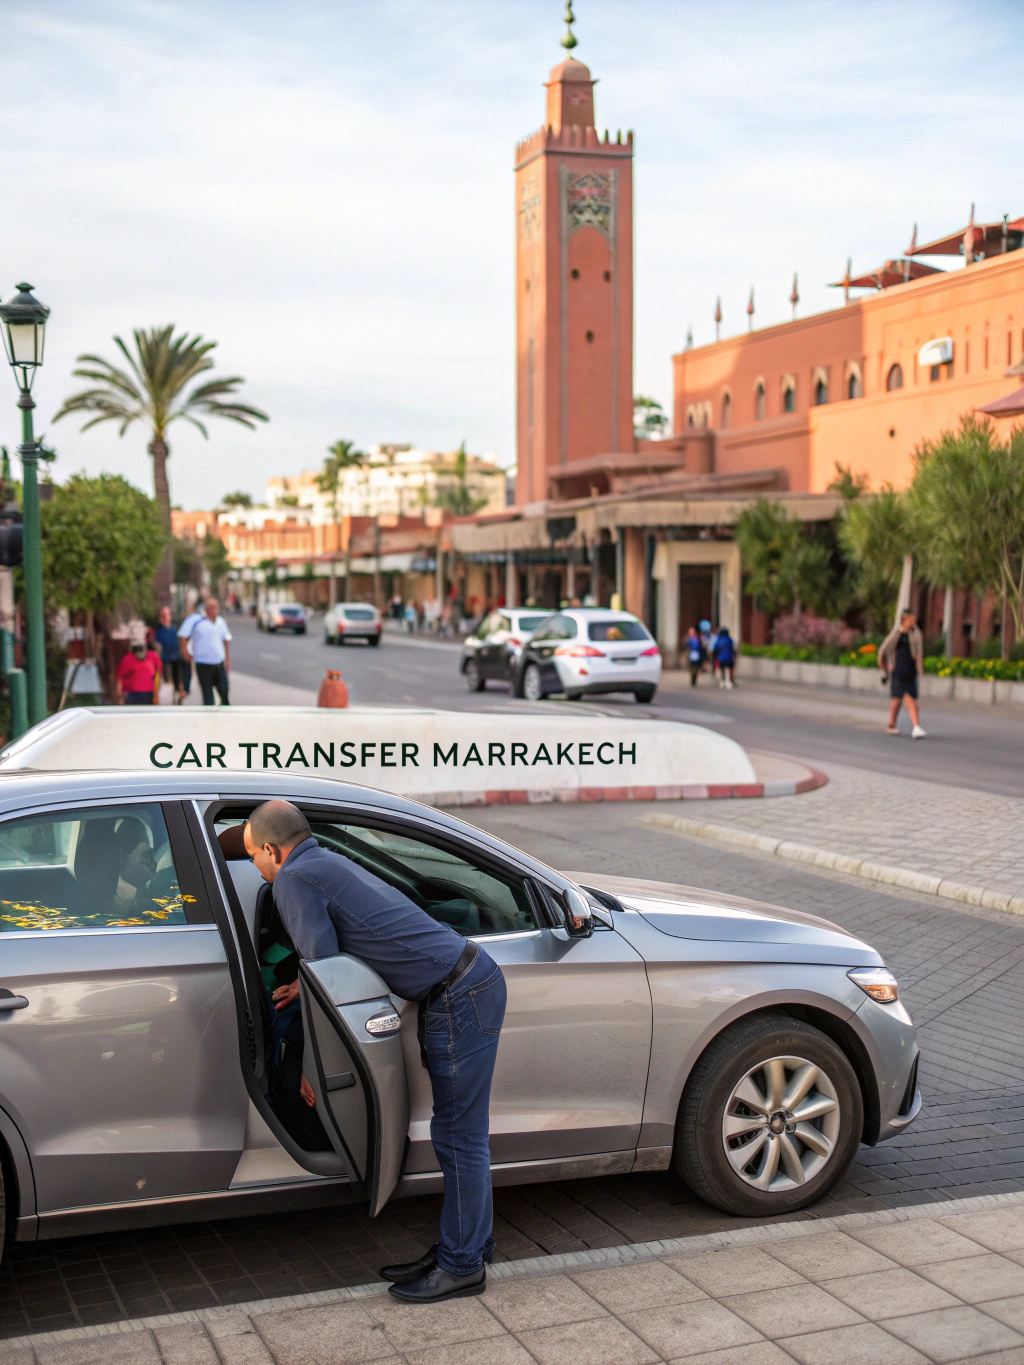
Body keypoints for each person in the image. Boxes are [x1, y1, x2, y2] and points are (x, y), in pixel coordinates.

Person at [243, 800, 506, 1305]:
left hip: (459, 994)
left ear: (273, 851)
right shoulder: (324, 862)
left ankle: (463, 1265)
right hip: (465, 984)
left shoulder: (292, 880)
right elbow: (332, 958)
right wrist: (304, 982)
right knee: (459, 1136)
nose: (256, 865)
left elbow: (327, 978)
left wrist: (313, 1069)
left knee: (459, 1138)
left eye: (255, 856)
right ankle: (467, 1246)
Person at [879, 609, 926, 738]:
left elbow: (918, 653)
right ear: (905, 619)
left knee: (900, 699)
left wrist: (919, 668)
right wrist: (884, 667)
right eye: (911, 619)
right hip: (898, 670)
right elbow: (884, 649)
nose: (914, 621)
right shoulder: (897, 633)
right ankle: (913, 726)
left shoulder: (915, 633)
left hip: (910, 671)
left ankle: (896, 725)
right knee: (900, 699)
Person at [180, 597, 232, 706]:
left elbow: (225, 641)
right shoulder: (196, 620)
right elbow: (183, 635)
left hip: (218, 663)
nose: (213, 610)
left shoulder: (220, 622)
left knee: (224, 691)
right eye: (210, 608)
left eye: (215, 607)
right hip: (203, 663)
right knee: (208, 696)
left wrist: (227, 661)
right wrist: (185, 652)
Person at [153, 606, 188, 704]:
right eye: (163, 615)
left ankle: (180, 692)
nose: (165, 618)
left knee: (179, 674)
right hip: (164, 659)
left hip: (175, 658)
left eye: (167, 615)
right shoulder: (159, 631)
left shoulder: (174, 630)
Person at [115, 636, 162, 705]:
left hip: (149, 692)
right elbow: (119, 679)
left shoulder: (153, 657)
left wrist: (156, 695)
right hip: (132, 694)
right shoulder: (127, 660)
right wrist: (120, 697)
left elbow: (157, 676)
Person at [713, 624, 736, 689]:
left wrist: (716, 656)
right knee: (729, 669)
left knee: (722, 669)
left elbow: (715, 648)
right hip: (729, 657)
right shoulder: (729, 640)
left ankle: (723, 680)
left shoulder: (719, 640)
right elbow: (733, 648)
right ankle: (729, 681)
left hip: (722, 658)